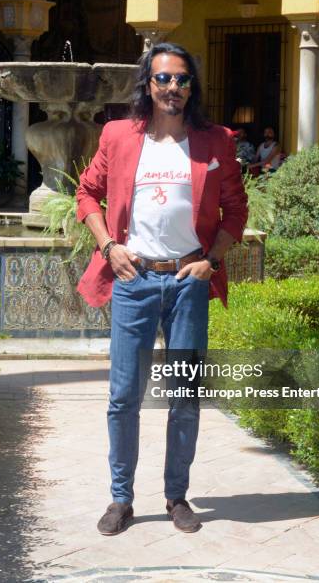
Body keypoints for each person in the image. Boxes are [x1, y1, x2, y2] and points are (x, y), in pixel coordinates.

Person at [76, 42, 248, 536]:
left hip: (187, 280)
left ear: (192, 86)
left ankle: (176, 495)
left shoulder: (215, 141)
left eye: (182, 79)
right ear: (147, 85)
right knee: (123, 395)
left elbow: (235, 211)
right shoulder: (119, 135)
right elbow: (87, 193)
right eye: (163, 79)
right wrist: (110, 247)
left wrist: (210, 260)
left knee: (185, 395)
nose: (173, 87)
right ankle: (121, 498)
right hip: (134, 279)